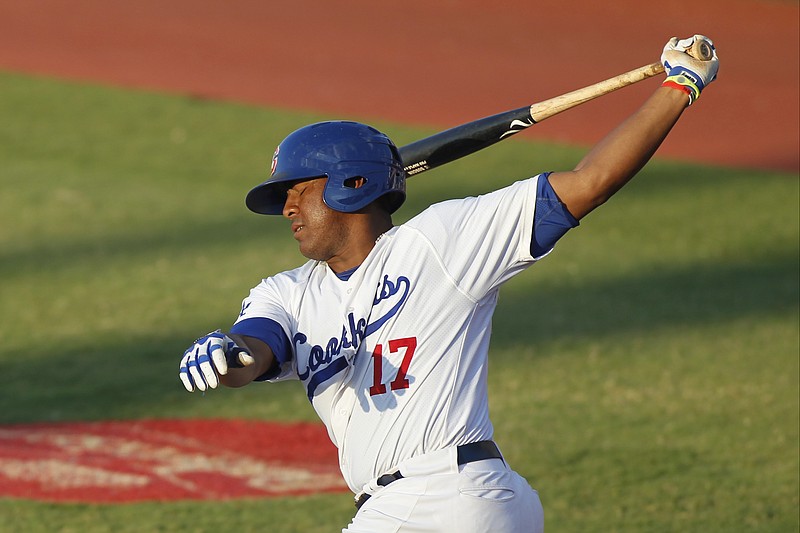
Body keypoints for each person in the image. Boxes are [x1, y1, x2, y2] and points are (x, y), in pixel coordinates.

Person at [179, 35, 718, 532]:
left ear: (353, 184)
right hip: (440, 505)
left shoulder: (440, 243)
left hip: (444, 497)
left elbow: (588, 183)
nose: (288, 207)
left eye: (297, 189)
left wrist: (679, 87)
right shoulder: (288, 293)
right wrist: (227, 354)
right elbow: (257, 348)